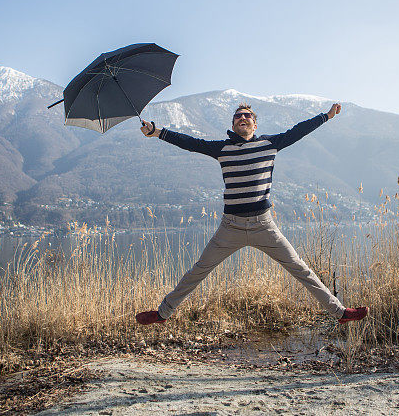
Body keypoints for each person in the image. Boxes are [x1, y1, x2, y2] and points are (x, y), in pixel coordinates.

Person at [135, 102, 367, 325]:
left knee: (300, 269)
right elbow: (190, 142)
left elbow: (299, 131)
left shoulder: (270, 144)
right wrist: (156, 132)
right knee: (198, 271)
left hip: (263, 226)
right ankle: (162, 314)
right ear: (233, 124)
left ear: (255, 125)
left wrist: (326, 116)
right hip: (230, 228)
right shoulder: (221, 149)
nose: (242, 118)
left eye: (247, 116)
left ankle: (340, 312)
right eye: (238, 116)